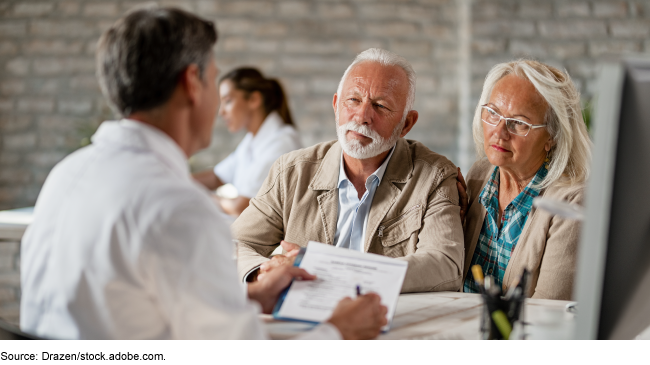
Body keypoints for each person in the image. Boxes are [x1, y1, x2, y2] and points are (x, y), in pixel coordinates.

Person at [19, 7, 387, 340]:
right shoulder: (178, 207)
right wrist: (340, 332)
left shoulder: (66, 174)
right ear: (191, 83)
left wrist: (249, 297)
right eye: (213, 80)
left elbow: (127, 307)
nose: (219, 106)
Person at [233, 48, 465, 294]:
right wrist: (264, 272)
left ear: (406, 124)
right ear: (336, 105)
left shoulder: (434, 177)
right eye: (353, 100)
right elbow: (235, 243)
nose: (363, 116)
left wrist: (329, 270)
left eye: (381, 105)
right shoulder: (291, 172)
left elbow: (445, 265)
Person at [457, 59, 592, 300]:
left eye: (518, 123)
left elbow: (547, 313)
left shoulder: (571, 203)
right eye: (493, 113)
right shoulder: (479, 175)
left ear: (552, 136)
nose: (499, 132)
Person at [193, 67, 302, 216]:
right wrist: (177, 180)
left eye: (228, 101)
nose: (221, 112)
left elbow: (239, 207)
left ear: (253, 100)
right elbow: (217, 176)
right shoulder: (252, 141)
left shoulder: (281, 143)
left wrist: (192, 195)